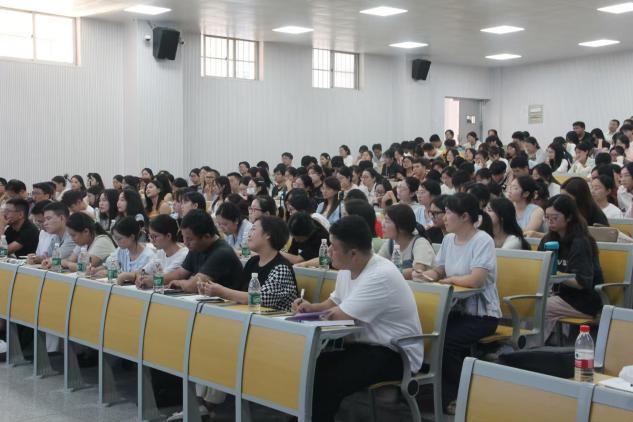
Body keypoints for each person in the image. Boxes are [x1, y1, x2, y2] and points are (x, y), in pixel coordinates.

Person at [291, 216, 423, 422]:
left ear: (353, 253)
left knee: (327, 379)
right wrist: (309, 307)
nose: (328, 251)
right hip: (364, 346)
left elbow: (339, 316)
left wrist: (307, 317)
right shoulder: (348, 267)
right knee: (311, 368)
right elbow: (333, 302)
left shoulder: (380, 275)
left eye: (333, 247)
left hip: (395, 353)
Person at [421, 193, 500, 414]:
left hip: (482, 315)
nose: (443, 217)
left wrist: (449, 280)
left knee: (445, 342)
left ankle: (459, 395)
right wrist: (428, 275)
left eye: (447, 213)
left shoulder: (482, 240)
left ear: (464, 216)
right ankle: (436, 392)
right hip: (455, 311)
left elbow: (476, 280)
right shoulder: (448, 240)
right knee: (427, 333)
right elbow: (440, 268)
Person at [198, 216, 298, 310]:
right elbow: (240, 292)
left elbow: (260, 299)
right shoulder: (253, 261)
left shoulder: (281, 268)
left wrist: (222, 292)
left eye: (253, 229)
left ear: (268, 234)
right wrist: (210, 290)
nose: (249, 234)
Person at [539, 195, 603, 341]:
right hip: (558, 295)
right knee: (529, 301)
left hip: (581, 300)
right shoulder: (547, 240)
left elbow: (582, 283)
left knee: (539, 306)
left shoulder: (581, 242)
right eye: (547, 217)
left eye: (555, 217)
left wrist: (554, 275)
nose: (550, 221)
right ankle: (545, 343)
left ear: (569, 217)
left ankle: (532, 348)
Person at [165, 210, 244, 292]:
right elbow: (180, 273)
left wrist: (179, 283)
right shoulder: (196, 247)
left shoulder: (222, 253)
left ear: (207, 236)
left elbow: (194, 286)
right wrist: (158, 280)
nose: (185, 243)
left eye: (190, 239)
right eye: (183, 237)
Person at [379, 204, 435, 279]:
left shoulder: (420, 243)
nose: (383, 225)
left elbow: (418, 271)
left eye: (387, 221)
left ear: (401, 227)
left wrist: (387, 274)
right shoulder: (390, 243)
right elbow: (377, 266)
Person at [93, 216, 156, 283]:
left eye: (119, 239)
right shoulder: (121, 250)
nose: (117, 242)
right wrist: (94, 270)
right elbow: (108, 264)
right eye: (115, 238)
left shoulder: (148, 256)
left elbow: (145, 278)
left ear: (132, 237)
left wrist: (121, 275)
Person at [135, 215, 189, 289]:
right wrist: (140, 277)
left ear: (168, 236)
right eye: (150, 236)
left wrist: (148, 279)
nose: (152, 240)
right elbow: (144, 271)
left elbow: (165, 278)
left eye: (155, 236)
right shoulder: (161, 252)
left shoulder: (183, 255)